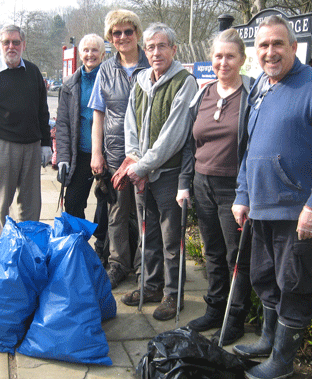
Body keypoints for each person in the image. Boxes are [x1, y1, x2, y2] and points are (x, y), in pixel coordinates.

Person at [231, 16, 312, 379]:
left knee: (294, 286)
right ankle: (268, 341)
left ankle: (282, 364)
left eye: (278, 44)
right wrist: (242, 193)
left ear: (293, 47)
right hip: (262, 210)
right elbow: (251, 151)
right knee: (265, 278)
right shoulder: (260, 89)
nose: (270, 52)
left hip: (298, 212)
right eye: (263, 46)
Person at [176, 28, 254, 344]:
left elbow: (253, 146)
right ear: (212, 59)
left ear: (242, 60)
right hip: (201, 183)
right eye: (218, 56)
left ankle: (234, 320)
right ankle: (214, 309)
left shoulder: (251, 98)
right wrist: (184, 184)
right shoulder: (202, 94)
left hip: (233, 189)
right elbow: (188, 144)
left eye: (230, 56)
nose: (223, 62)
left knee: (236, 256)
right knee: (212, 252)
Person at [121, 23, 198, 321]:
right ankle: (150, 286)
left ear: (174, 49)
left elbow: (174, 136)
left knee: (170, 239)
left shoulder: (184, 82)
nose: (155, 53)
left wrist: (140, 167)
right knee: (147, 234)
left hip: (167, 175)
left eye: (162, 46)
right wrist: (134, 160)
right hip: (142, 173)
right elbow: (130, 124)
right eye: (150, 47)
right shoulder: (139, 80)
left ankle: (172, 294)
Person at [0, 24, 51, 243]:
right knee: (1, 204)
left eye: (16, 42)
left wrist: (46, 143)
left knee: (31, 204)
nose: (11, 46)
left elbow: (43, 111)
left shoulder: (33, 72)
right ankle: (4, 252)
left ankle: (28, 250)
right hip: (0, 147)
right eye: (6, 42)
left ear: (23, 45)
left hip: (32, 147)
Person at [89, 9, 150, 289]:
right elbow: (98, 115)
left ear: (137, 33)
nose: (123, 37)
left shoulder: (152, 64)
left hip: (148, 155)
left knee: (144, 214)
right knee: (116, 214)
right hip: (114, 154)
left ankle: (144, 266)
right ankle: (118, 264)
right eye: (116, 33)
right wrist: (96, 152)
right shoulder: (106, 69)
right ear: (110, 38)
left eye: (128, 31)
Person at [55, 34, 108, 262]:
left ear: (103, 54)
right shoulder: (70, 86)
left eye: (95, 50)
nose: (90, 54)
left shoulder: (110, 79)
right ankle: (78, 249)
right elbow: (63, 125)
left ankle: (104, 247)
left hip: (107, 153)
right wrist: (63, 158)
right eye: (86, 50)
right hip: (81, 154)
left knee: (107, 203)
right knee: (73, 201)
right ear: (80, 54)